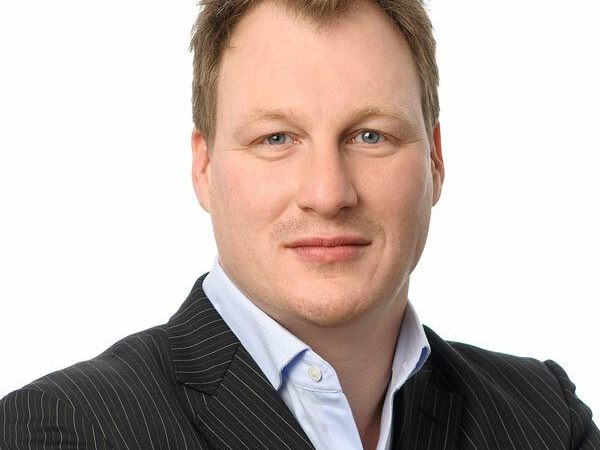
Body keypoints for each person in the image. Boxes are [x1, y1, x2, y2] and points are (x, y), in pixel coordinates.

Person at [1, 0, 598, 448]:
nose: (327, 193)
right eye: (276, 138)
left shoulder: (544, 419)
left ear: (435, 161)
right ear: (204, 168)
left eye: (371, 136)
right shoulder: (63, 429)